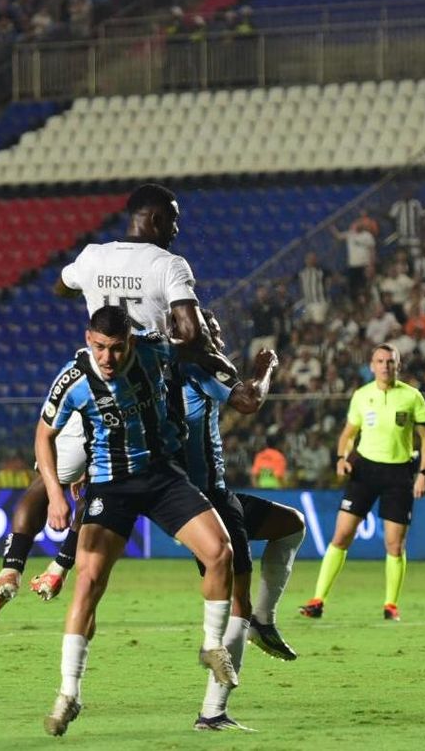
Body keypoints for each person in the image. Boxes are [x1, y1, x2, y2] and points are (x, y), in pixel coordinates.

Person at [0, 182, 232, 624]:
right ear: (152, 219)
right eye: (172, 218)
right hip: (143, 396)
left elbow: (60, 286)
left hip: (91, 385)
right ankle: (225, 591)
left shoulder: (93, 256)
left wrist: (97, 297)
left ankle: (12, 571)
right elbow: (189, 334)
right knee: (124, 485)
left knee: (54, 484)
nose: (177, 228)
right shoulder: (169, 265)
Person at [37, 306, 237, 737]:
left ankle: (211, 645)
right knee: (88, 581)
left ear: (130, 340)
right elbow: (43, 435)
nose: (108, 357)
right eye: (100, 347)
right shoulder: (73, 380)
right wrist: (55, 492)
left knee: (221, 553)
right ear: (89, 339)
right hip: (111, 487)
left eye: (116, 347)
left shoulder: (154, 352)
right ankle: (69, 694)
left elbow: (192, 348)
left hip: (162, 476)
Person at [182, 309, 305, 731]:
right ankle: (213, 713)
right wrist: (266, 368)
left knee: (291, 524)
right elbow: (250, 400)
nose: (218, 335)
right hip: (205, 498)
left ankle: (264, 623)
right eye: (211, 330)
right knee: (238, 604)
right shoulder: (198, 368)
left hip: (200, 497)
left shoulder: (163, 369)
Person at [299, 344, 425, 621]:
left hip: (399, 474)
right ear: (372, 366)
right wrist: (341, 457)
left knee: (394, 545)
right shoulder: (362, 396)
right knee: (341, 536)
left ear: (398, 366)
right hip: (364, 472)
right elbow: (349, 433)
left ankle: (390, 605)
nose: (385, 366)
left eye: (390, 361)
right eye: (380, 361)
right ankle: (317, 600)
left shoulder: (412, 397)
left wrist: (423, 473)